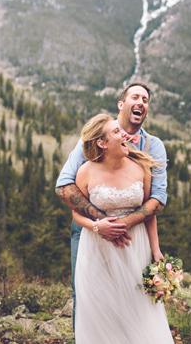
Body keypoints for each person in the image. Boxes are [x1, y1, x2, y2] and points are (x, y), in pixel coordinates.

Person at [56, 82, 168, 318]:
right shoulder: (97, 136)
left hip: (133, 236)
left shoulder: (153, 146)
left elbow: (157, 199)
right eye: (135, 97)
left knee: (133, 296)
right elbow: (64, 186)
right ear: (121, 104)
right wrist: (102, 223)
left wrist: (124, 225)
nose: (141, 103)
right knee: (86, 295)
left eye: (145, 100)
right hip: (90, 232)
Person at [70, 113, 172, 343]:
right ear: (102, 143)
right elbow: (76, 213)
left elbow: (149, 212)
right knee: (101, 308)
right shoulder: (85, 171)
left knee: (138, 308)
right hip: (97, 249)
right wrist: (98, 227)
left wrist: (155, 251)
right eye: (116, 132)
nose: (125, 134)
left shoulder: (141, 167)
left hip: (135, 248)